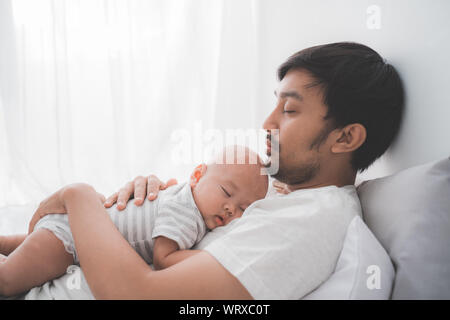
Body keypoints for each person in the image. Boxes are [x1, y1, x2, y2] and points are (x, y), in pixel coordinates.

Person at [1, 42, 404, 299]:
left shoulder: (311, 221)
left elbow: (134, 294)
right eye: (275, 104)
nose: (267, 123)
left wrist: (77, 196)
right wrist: (150, 202)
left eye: (291, 110)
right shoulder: (282, 196)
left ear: (346, 138)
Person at [0, 146, 268, 297]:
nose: (231, 208)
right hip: (70, 239)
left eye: (244, 208)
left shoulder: (183, 197)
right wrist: (214, 261)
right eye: (226, 193)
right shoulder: (187, 213)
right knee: (7, 281)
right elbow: (164, 258)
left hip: (75, 230)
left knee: (13, 248)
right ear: (197, 174)